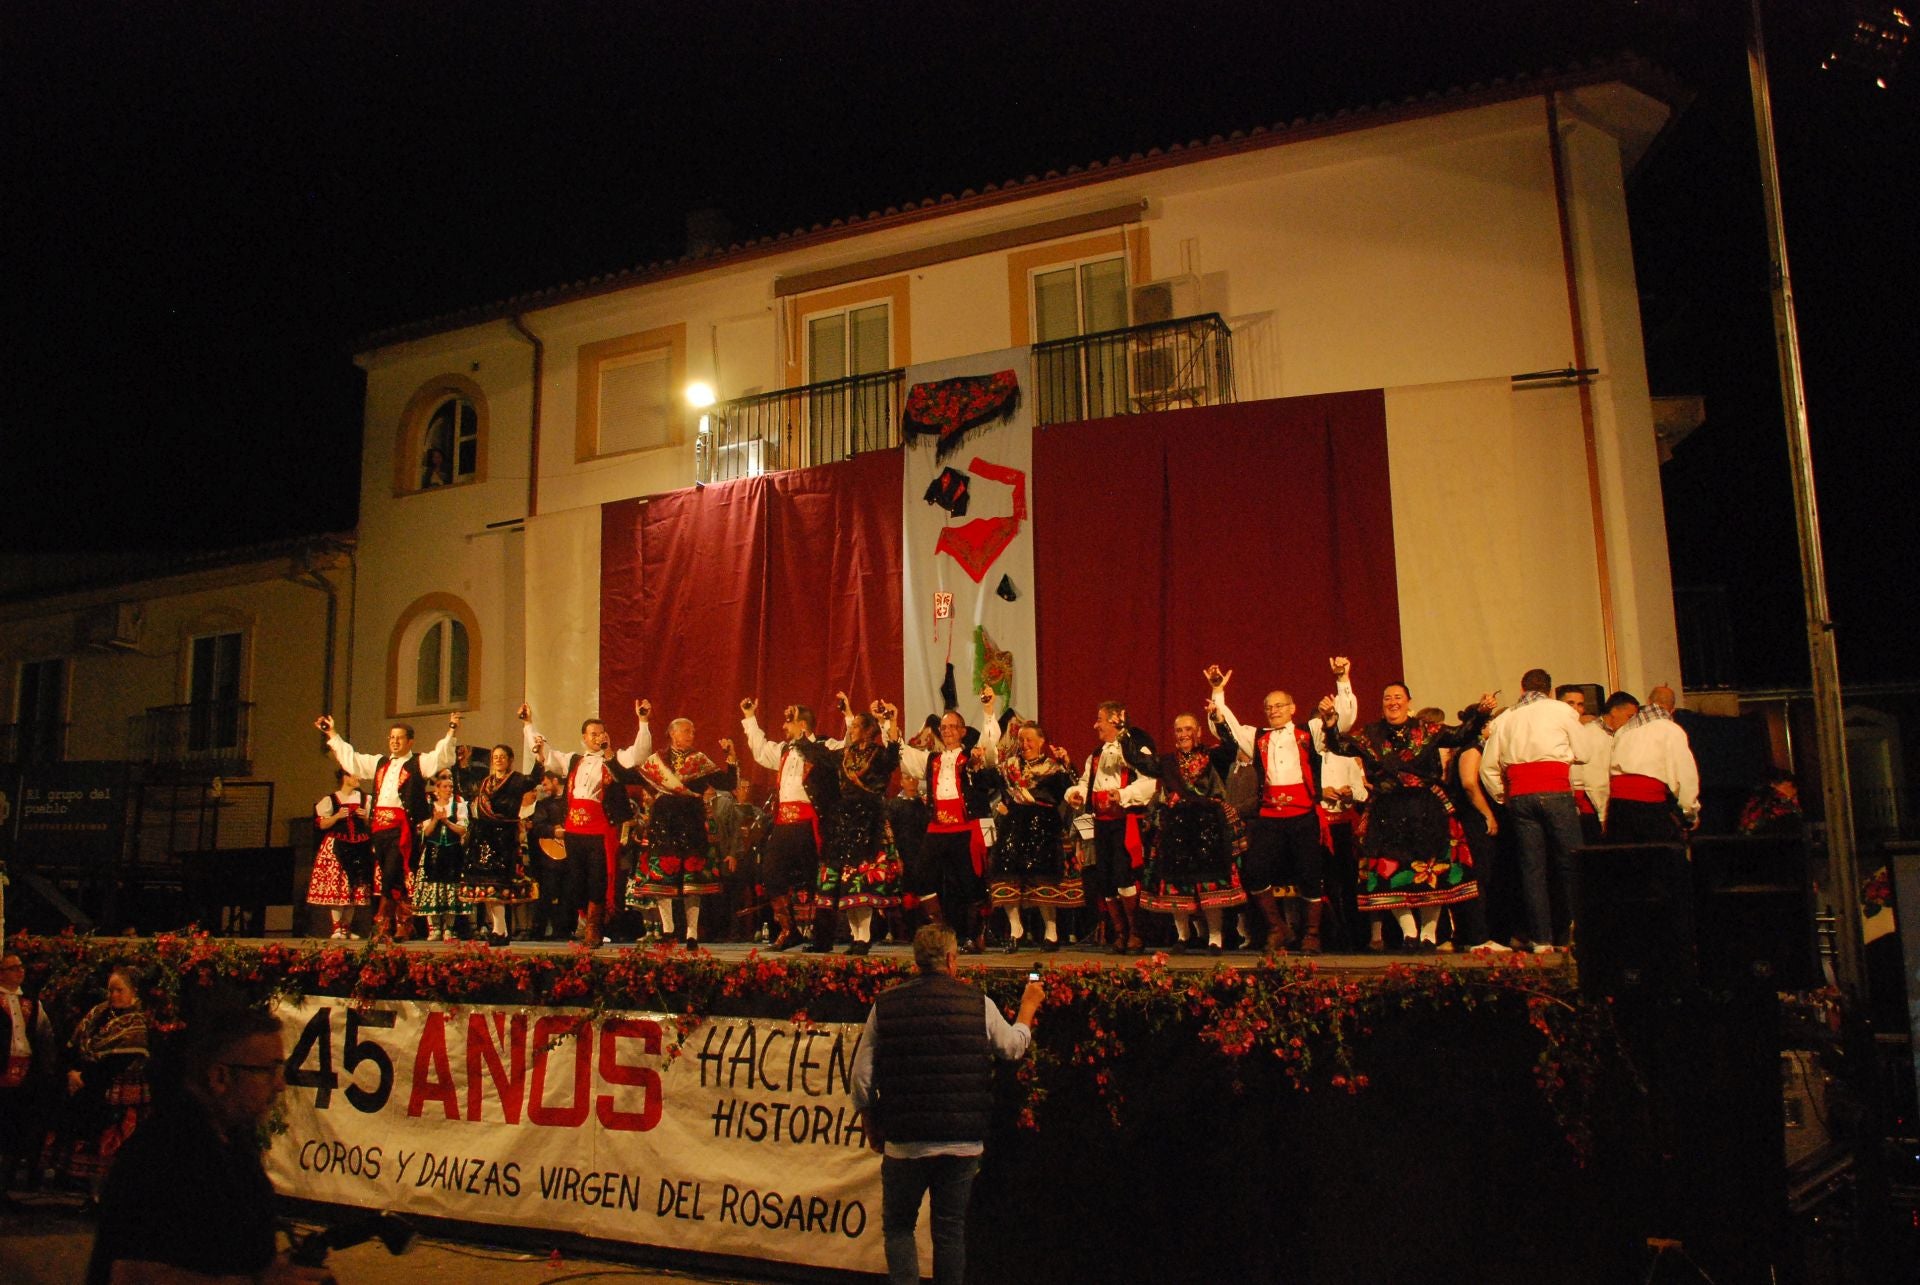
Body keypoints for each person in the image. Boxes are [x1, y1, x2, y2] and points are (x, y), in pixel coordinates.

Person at [850, 925, 1045, 1285]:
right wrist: (1028, 1006)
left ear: (916, 961)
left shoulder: (886, 1005)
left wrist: (869, 1122)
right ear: (953, 960)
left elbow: (862, 1076)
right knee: (950, 1232)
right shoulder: (978, 1003)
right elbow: (1013, 1048)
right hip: (961, 1139)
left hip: (905, 1141)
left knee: (898, 1228)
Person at [87, 1006, 327, 1285]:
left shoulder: (232, 1140)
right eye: (269, 1070)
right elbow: (132, 1276)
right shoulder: (165, 1153)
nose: (280, 1084)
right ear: (220, 1077)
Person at [1322, 678, 1496, 952]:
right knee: (1389, 873)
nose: (1393, 702)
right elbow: (1338, 747)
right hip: (1387, 812)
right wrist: (1331, 722)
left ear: (1408, 702)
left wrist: (1482, 713)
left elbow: (1462, 734)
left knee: (1432, 872)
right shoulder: (1370, 734)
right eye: (1387, 698)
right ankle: (1409, 932)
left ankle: (1428, 934)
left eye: (1398, 697)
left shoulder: (1428, 730)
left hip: (1426, 811)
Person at [1205, 658, 1355, 954]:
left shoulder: (1308, 732)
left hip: (1303, 816)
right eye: (1268, 707)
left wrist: (1342, 680)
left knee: (1311, 875)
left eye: (1278, 705)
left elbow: (1343, 721)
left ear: (1292, 708)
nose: (1273, 710)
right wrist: (1218, 691)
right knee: (1255, 874)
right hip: (1270, 817)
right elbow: (1228, 727)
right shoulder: (1257, 736)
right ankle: (1277, 927)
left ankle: (1311, 934)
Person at [317, 711, 461, 941]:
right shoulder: (379, 763)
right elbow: (351, 759)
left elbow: (442, 756)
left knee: (393, 871)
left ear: (410, 741)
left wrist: (452, 729)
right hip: (380, 829)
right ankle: (404, 923)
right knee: (391, 874)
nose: (394, 741)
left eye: (399, 737)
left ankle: (384, 924)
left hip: (403, 828)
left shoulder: (419, 763)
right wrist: (332, 733)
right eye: (391, 737)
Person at [522, 700, 651, 946]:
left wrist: (643, 721)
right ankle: (584, 922)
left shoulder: (615, 759)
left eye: (601, 733)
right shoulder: (573, 760)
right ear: (584, 737)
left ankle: (594, 926)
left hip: (600, 830)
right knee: (576, 880)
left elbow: (640, 753)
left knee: (598, 878)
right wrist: (529, 724)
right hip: (574, 830)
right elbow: (544, 752)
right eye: (593, 734)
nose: (597, 737)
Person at [1478, 669, 1587, 952]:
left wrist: (1504, 796)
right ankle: (1574, 934)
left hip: (1521, 796)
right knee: (1571, 863)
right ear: (1549, 691)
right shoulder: (1560, 711)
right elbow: (1585, 752)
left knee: (1532, 869)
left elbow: (1488, 766)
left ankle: (1541, 939)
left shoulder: (1507, 717)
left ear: (1522, 688)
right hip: (1556, 790)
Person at [895, 692, 1002, 953]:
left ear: (963, 731)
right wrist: (891, 723)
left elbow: (990, 751)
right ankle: (943, 930)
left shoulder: (973, 758)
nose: (948, 731)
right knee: (921, 877)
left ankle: (973, 935)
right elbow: (904, 756)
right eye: (944, 727)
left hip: (964, 827)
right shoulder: (933, 759)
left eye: (953, 726)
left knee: (967, 883)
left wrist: (988, 711)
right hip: (938, 827)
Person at [797, 697, 904, 955]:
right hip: (844, 822)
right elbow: (821, 755)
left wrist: (890, 722)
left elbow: (892, 757)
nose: (851, 729)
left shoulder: (878, 754)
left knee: (860, 880)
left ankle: (864, 937)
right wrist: (802, 737)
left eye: (856, 725)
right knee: (846, 882)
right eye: (851, 725)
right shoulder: (845, 755)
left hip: (868, 822)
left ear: (868, 731)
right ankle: (856, 937)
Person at [1143, 710, 1248, 954]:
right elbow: (1142, 763)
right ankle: (1183, 936)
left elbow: (1232, 745)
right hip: (1176, 827)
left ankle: (1215, 938)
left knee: (1211, 884)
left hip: (1208, 826)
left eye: (1188, 729)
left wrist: (1219, 720)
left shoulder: (1214, 757)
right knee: (1176, 885)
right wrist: (1126, 731)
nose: (1183, 735)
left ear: (1199, 732)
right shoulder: (1167, 762)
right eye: (1178, 730)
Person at [629, 717, 739, 949]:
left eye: (693, 731)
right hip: (664, 823)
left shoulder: (699, 761)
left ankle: (691, 934)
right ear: (673, 733)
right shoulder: (656, 761)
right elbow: (635, 778)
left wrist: (731, 756)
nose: (691, 735)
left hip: (692, 822)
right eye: (687, 731)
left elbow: (728, 782)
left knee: (692, 880)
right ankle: (668, 930)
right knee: (663, 878)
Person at [742, 698, 840, 950]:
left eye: (789, 721)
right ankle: (789, 929)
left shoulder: (822, 746)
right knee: (771, 873)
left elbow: (842, 751)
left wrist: (808, 737)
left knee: (815, 878)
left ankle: (822, 936)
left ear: (803, 725)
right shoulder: (785, 750)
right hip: (784, 823)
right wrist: (750, 718)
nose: (784, 727)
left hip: (810, 823)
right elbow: (761, 751)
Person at [1064, 701, 1160, 954]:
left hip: (1125, 823)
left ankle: (1136, 933)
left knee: (1124, 876)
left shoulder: (1134, 749)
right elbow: (1086, 783)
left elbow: (1150, 782)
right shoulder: (1096, 755)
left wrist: (1124, 794)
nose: (1095, 725)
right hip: (1101, 824)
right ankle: (1120, 932)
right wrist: (1074, 794)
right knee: (1105, 879)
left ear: (1116, 720)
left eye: (1100, 720)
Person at [54, 968, 151, 1206]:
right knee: (91, 1143)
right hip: (89, 1089)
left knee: (112, 1147)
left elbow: (116, 1062)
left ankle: (111, 1198)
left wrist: (84, 1077)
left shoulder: (135, 1023)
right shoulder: (98, 1014)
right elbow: (74, 1046)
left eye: (120, 990)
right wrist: (72, 1072)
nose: (114, 995)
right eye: (111, 990)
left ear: (134, 992)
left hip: (116, 1094)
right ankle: (92, 1195)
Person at [981, 717, 1078, 953]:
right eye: (1022, 740)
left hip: (1044, 827)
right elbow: (984, 780)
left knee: (1044, 877)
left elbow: (1072, 789)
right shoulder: (1008, 766)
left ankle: (1051, 932)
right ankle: (1016, 929)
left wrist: (1067, 764)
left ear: (1041, 742)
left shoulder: (1053, 768)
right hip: (1013, 826)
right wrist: (977, 762)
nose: (1025, 744)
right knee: (1006, 874)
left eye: (1030, 740)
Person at [461, 744, 539, 945]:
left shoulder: (517, 780)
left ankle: (500, 930)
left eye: (502, 756)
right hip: (485, 837)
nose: (498, 759)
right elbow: (468, 792)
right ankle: (499, 930)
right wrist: (462, 764)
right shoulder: (485, 782)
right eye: (495, 756)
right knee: (487, 886)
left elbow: (534, 779)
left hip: (505, 838)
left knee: (499, 885)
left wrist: (539, 757)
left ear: (510, 759)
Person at [1606, 684, 1701, 843]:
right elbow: (1684, 775)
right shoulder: (1671, 730)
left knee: (1623, 859)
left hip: (1618, 805)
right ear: (1672, 710)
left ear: (1649, 702)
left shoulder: (1625, 730)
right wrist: (1690, 811)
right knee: (1655, 858)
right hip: (1648, 805)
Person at [0, 951, 55, 1206]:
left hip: (25, 1074)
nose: (19, 971)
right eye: (13, 968)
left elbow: (44, 1036)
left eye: (21, 967)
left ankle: (6, 1185)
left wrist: (45, 1071)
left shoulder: (32, 1003)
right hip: (2, 1071)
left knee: (16, 1130)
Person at [305, 770, 374, 940]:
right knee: (338, 886)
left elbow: (373, 824)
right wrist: (336, 816)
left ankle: (346, 927)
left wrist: (366, 818)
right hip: (337, 846)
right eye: (354, 775)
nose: (358, 778)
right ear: (345, 777)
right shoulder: (331, 800)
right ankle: (337, 927)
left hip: (359, 845)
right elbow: (321, 824)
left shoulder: (366, 799)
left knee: (354, 886)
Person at [412, 771, 469, 941]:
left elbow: (462, 829)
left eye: (451, 786)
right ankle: (434, 928)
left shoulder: (458, 806)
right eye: (445, 786)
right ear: (437, 789)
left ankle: (449, 928)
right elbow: (426, 832)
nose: (449, 789)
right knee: (433, 888)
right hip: (433, 852)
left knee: (450, 889)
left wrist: (446, 821)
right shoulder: (429, 807)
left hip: (452, 852)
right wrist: (436, 820)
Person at [1558, 685, 1613, 844]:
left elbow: (1595, 776)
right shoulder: (1552, 730)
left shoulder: (1590, 731)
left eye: (1580, 704)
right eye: (1571, 703)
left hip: (1585, 803)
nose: (1576, 709)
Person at [525, 770, 570, 940]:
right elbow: (537, 827)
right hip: (550, 856)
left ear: (555, 781)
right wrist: (553, 831)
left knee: (567, 894)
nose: (543, 788)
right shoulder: (543, 805)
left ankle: (564, 930)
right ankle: (539, 930)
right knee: (547, 893)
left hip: (570, 855)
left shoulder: (570, 802)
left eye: (545, 784)